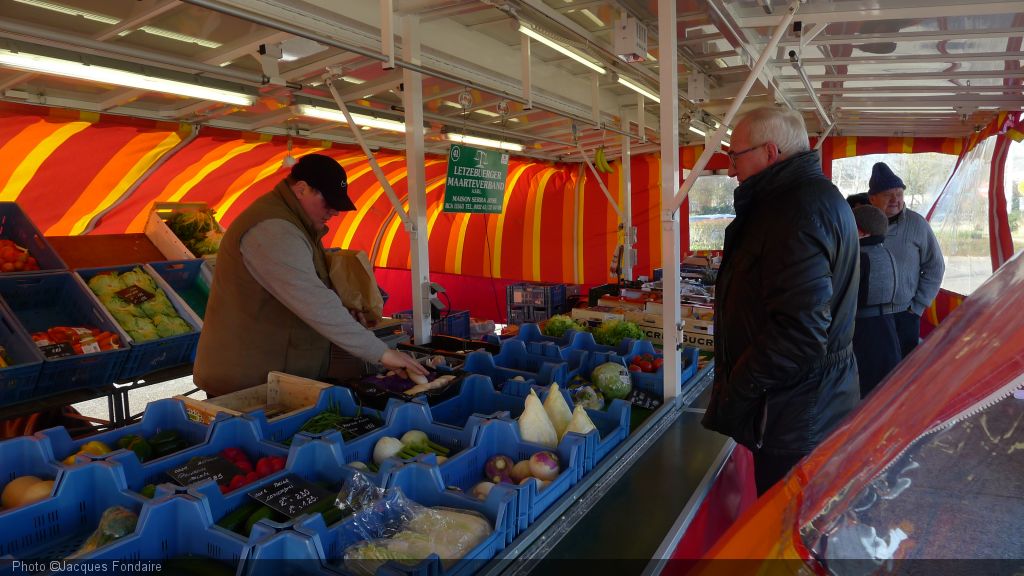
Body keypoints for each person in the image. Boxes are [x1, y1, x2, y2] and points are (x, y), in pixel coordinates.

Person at [702, 107, 860, 496]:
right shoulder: (806, 201)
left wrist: (736, 389)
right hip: (806, 405)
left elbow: (799, 334)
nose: (731, 170)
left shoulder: (796, 212)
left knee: (786, 534)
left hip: (796, 416)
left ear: (770, 152)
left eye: (735, 156)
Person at [194, 154, 427, 397]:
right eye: (329, 203)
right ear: (302, 189)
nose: (334, 212)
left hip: (273, 375)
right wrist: (381, 353)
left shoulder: (297, 223)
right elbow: (312, 300)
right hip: (246, 381)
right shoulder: (272, 229)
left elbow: (309, 285)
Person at [866, 162, 945, 358]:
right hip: (867, 317)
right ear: (872, 198)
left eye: (899, 194)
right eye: (887, 194)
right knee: (874, 372)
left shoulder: (918, 224)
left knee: (903, 373)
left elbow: (935, 267)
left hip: (905, 315)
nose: (895, 199)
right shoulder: (858, 224)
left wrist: (917, 307)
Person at [851, 205, 901, 398]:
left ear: (861, 230)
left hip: (864, 331)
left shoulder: (859, 257)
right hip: (888, 327)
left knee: (864, 389)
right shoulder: (887, 253)